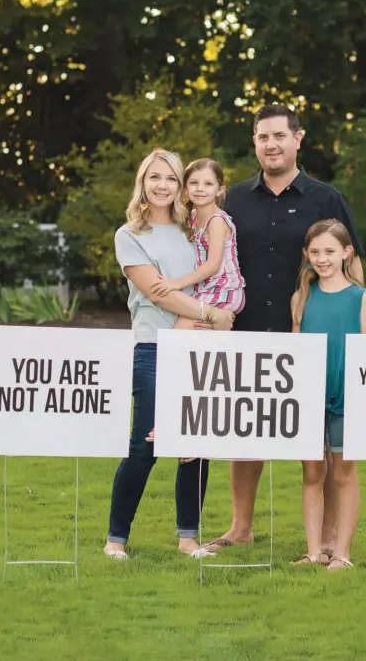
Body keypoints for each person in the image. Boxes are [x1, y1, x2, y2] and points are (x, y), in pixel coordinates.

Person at [207, 104, 364, 557]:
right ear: (254, 143)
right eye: (262, 137)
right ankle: (241, 528)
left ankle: (331, 537)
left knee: (318, 444)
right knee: (245, 433)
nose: (270, 144)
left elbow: (352, 265)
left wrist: (352, 324)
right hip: (246, 331)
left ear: (298, 139)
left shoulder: (326, 198)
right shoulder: (232, 199)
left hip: (310, 334)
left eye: (279, 135)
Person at [103, 148, 234, 561]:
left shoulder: (191, 230)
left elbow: (213, 272)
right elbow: (156, 289)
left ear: (180, 186)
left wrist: (209, 320)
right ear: (142, 182)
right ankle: (115, 540)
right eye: (154, 177)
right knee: (145, 445)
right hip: (154, 347)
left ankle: (189, 539)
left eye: (171, 179)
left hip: (198, 348)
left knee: (195, 442)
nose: (162, 185)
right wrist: (210, 314)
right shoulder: (129, 235)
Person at [290, 219, 366, 569]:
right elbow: (293, 353)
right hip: (309, 399)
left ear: (346, 252)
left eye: (329, 251)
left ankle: (342, 553)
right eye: (315, 252)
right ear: (307, 255)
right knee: (312, 473)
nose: (322, 258)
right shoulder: (301, 297)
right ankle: (314, 552)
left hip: (346, 398)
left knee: (343, 473)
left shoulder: (360, 297)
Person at [150, 157, 245, 320]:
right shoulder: (193, 216)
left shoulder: (216, 220)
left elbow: (213, 265)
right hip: (206, 287)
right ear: (185, 188)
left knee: (182, 328)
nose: (200, 189)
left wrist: (176, 282)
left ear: (220, 189)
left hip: (224, 288)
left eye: (208, 184)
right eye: (194, 183)